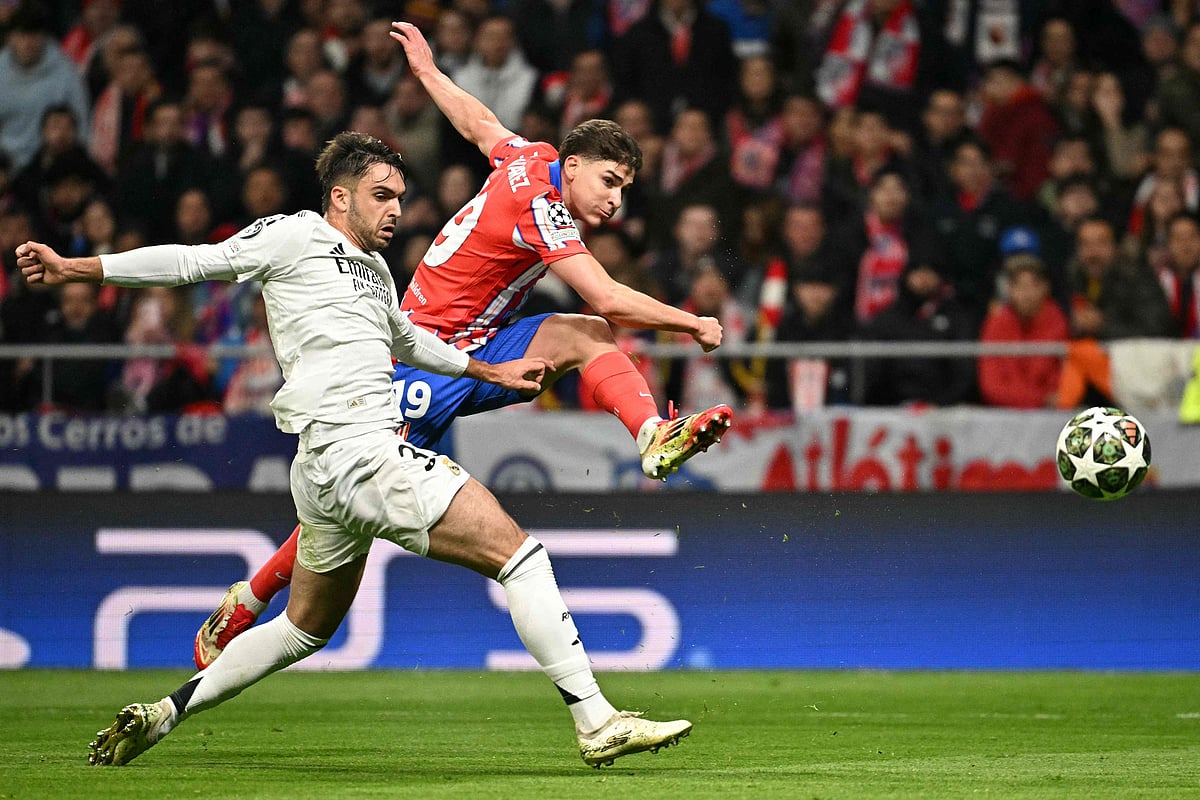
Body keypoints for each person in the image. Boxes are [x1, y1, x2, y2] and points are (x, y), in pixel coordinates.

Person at [18, 130, 692, 769]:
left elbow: (410, 343)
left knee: (304, 629)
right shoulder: (293, 235)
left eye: (400, 196)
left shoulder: (373, 271)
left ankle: (164, 712)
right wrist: (76, 267)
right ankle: (597, 722)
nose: (396, 208)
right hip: (362, 454)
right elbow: (192, 262)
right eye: (381, 195)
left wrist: (491, 372)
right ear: (339, 195)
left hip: (322, 473)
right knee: (520, 558)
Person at [190, 21, 732, 673]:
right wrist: (693, 323)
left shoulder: (528, 157)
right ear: (576, 165)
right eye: (610, 182)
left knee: (584, 336)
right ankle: (248, 600)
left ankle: (652, 434)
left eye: (624, 190)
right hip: (418, 360)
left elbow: (478, 124)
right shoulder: (544, 207)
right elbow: (610, 296)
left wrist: (428, 72)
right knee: (349, 518)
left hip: (473, 345)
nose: (615, 201)